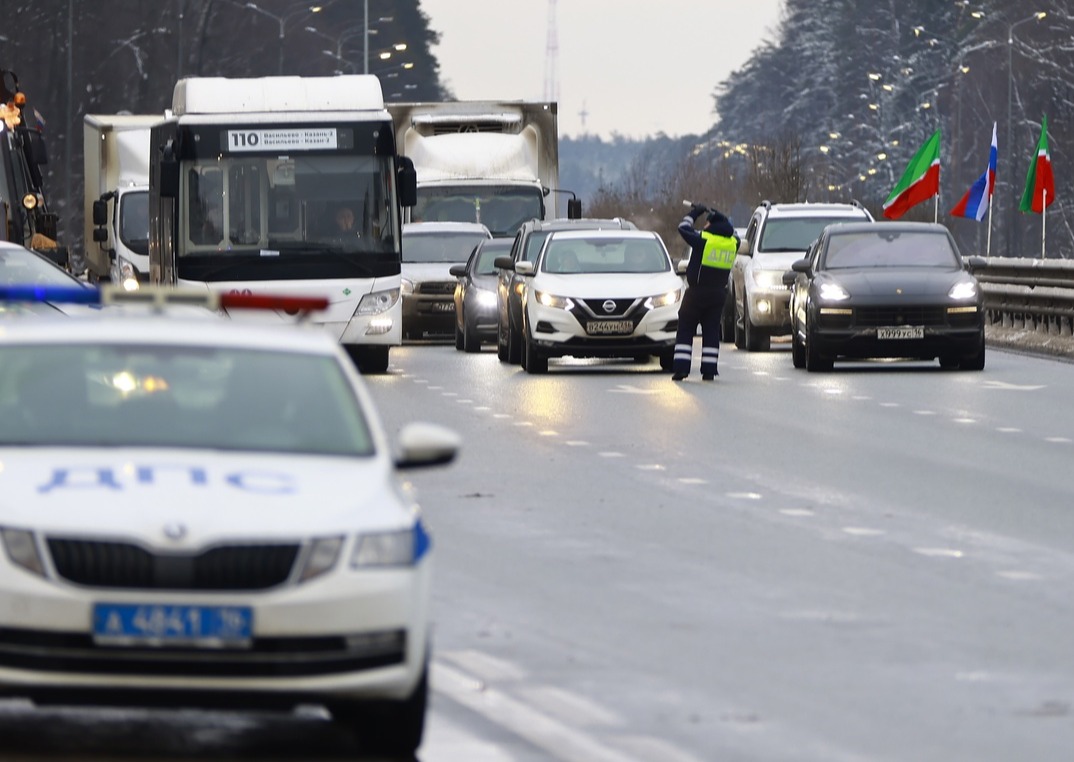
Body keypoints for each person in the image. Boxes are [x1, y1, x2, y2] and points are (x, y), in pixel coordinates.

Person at [672, 204, 739, 381]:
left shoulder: (703, 239)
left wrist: (696, 212)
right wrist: (720, 216)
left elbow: (683, 228)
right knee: (711, 331)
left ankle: (681, 369)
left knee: (686, 328)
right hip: (718, 294)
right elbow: (733, 232)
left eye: (706, 224)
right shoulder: (733, 243)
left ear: (709, 225)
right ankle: (709, 370)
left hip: (697, 292)